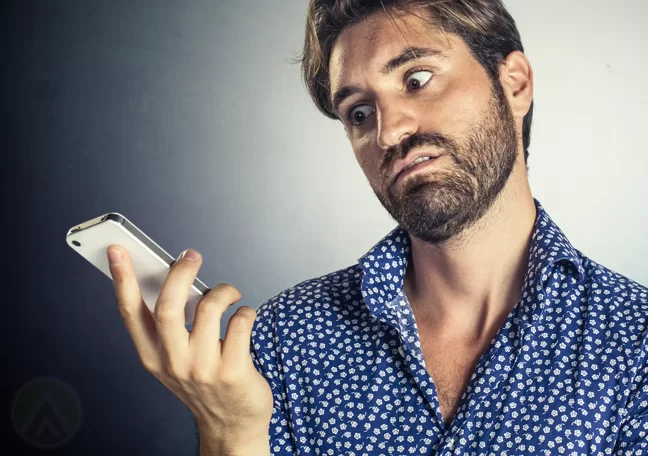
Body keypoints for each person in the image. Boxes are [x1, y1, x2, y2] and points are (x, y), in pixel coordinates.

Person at [107, 0, 648, 454]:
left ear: (515, 85)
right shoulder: (282, 345)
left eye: (416, 79)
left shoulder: (635, 345)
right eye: (360, 114)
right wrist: (231, 433)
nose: (390, 132)